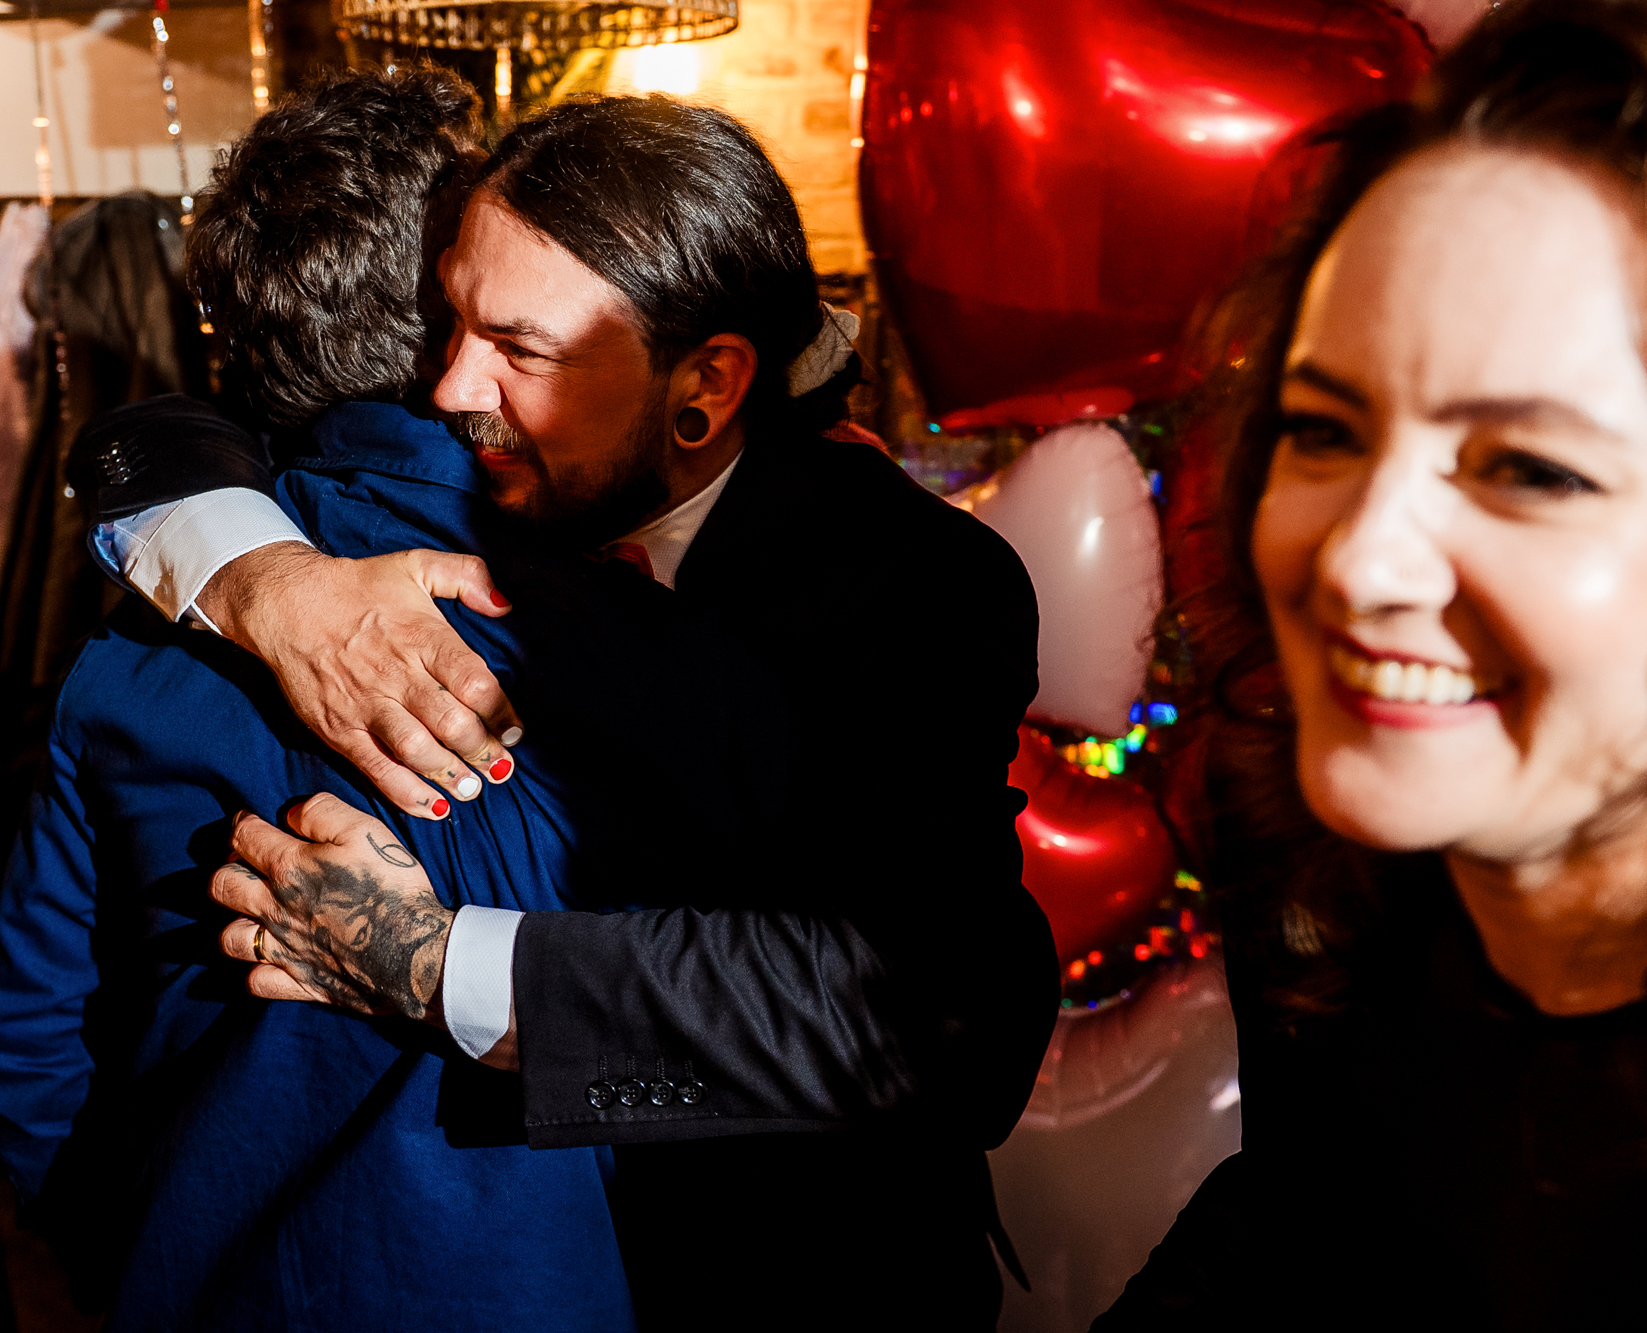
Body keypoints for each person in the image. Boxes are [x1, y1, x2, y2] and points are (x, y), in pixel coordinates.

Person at [6, 73, 1050, 1333]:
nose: (452, 388)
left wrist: (437, 965)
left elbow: (939, 1025)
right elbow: (164, 432)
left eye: (517, 345)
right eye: (452, 320)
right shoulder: (355, 554)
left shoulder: (892, 590)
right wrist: (259, 574)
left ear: (702, 384)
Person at [1093, 0, 1647, 1327]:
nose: (1357, 560)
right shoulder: (1407, 905)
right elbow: (1303, 1223)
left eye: (1529, 469)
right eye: (1324, 427)